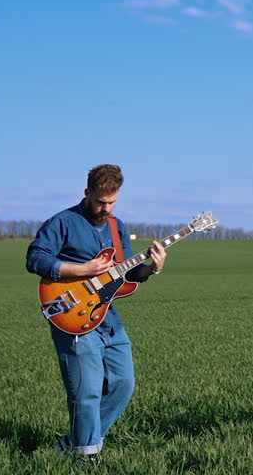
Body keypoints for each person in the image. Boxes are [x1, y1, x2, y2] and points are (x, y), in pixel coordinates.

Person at [25, 164, 166, 458]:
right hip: (72, 312)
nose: (106, 208)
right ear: (87, 192)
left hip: (107, 317)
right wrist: (83, 269)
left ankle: (75, 443)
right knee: (86, 392)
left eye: (112, 202)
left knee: (123, 384)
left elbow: (129, 272)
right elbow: (35, 259)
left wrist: (152, 268)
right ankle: (86, 454)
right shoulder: (62, 222)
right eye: (101, 202)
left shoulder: (116, 226)